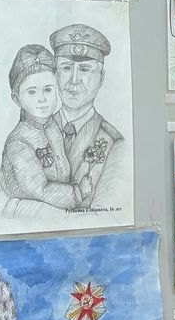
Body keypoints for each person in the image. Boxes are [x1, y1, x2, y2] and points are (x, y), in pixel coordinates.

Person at [0, 44, 87, 211]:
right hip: (24, 211)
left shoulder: (53, 127)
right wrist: (78, 193)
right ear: (17, 99)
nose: (42, 99)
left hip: (55, 207)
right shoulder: (18, 142)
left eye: (48, 89)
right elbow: (40, 189)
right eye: (32, 92)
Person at [51, 23, 127, 209]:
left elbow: (106, 214)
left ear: (101, 77)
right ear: (55, 74)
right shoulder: (36, 130)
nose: (74, 80)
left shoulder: (114, 142)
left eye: (84, 69)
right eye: (66, 68)